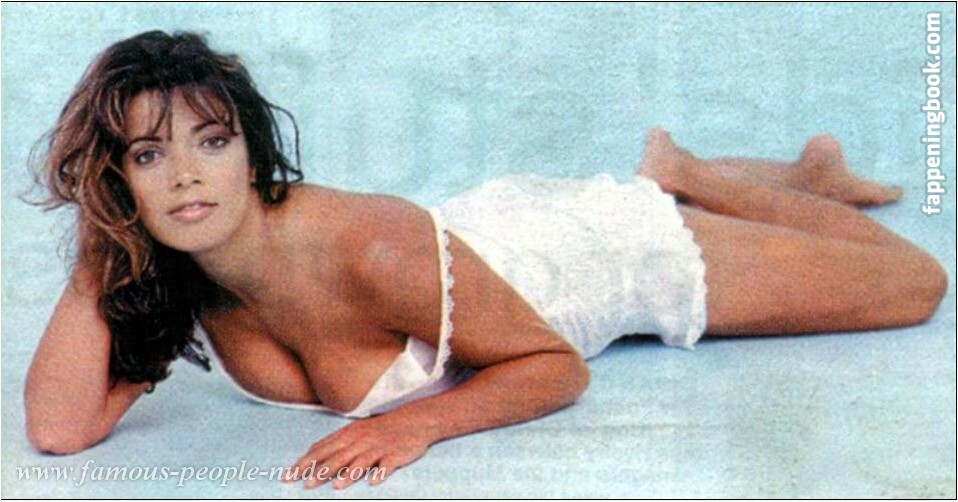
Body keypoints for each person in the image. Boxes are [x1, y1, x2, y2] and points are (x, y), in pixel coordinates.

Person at [24, 30, 947, 490]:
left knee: (913, 283)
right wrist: (105, 232)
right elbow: (60, 431)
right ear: (118, 178)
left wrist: (418, 428)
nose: (186, 176)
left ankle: (686, 178)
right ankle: (783, 176)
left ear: (250, 150)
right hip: (479, 241)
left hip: (596, 254)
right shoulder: (186, 266)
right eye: (148, 156)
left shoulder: (369, 247)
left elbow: (555, 364)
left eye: (212, 142)